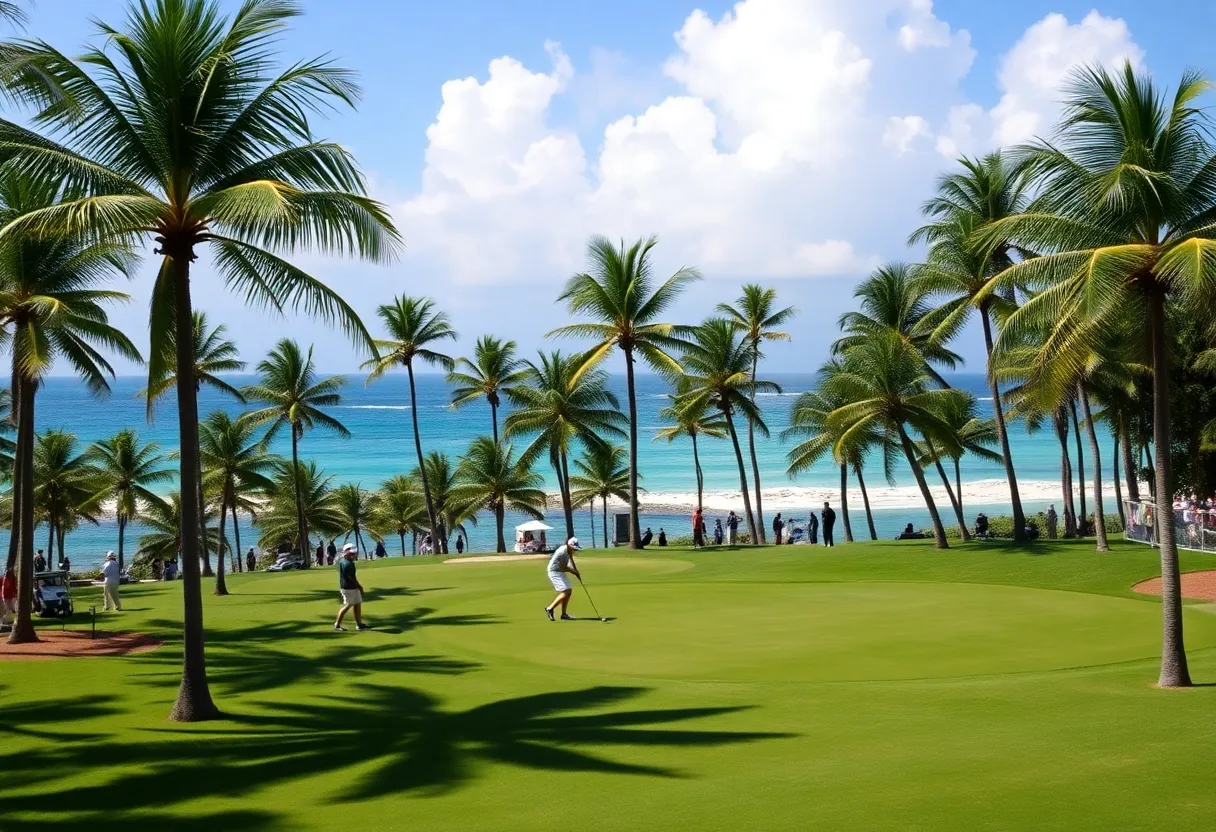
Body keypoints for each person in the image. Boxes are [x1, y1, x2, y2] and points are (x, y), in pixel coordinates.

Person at [544, 536, 582, 621]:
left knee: (568, 591)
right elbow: (564, 567)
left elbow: (571, 559)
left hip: (559, 570)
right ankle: (550, 609)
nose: (574, 550)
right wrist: (574, 572)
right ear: (569, 545)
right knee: (567, 591)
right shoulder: (563, 552)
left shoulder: (569, 550)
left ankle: (564, 614)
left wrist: (576, 571)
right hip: (554, 571)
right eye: (573, 548)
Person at [334, 544, 370, 632]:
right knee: (348, 605)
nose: (353, 555)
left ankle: (359, 624)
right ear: (346, 553)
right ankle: (337, 625)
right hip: (348, 588)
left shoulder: (343, 561)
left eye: (354, 554)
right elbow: (351, 578)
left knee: (357, 603)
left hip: (350, 587)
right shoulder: (348, 564)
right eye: (351, 554)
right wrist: (359, 586)